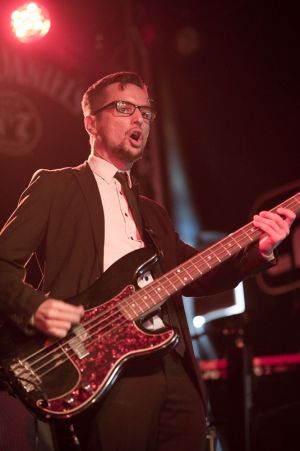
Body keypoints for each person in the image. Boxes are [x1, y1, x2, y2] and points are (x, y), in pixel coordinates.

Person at [0, 71, 295, 451]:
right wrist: (37, 308)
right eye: (125, 108)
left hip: (172, 363)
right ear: (91, 122)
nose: (140, 119)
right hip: (99, 362)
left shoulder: (153, 214)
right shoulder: (56, 187)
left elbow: (198, 276)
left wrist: (260, 249)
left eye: (146, 112)